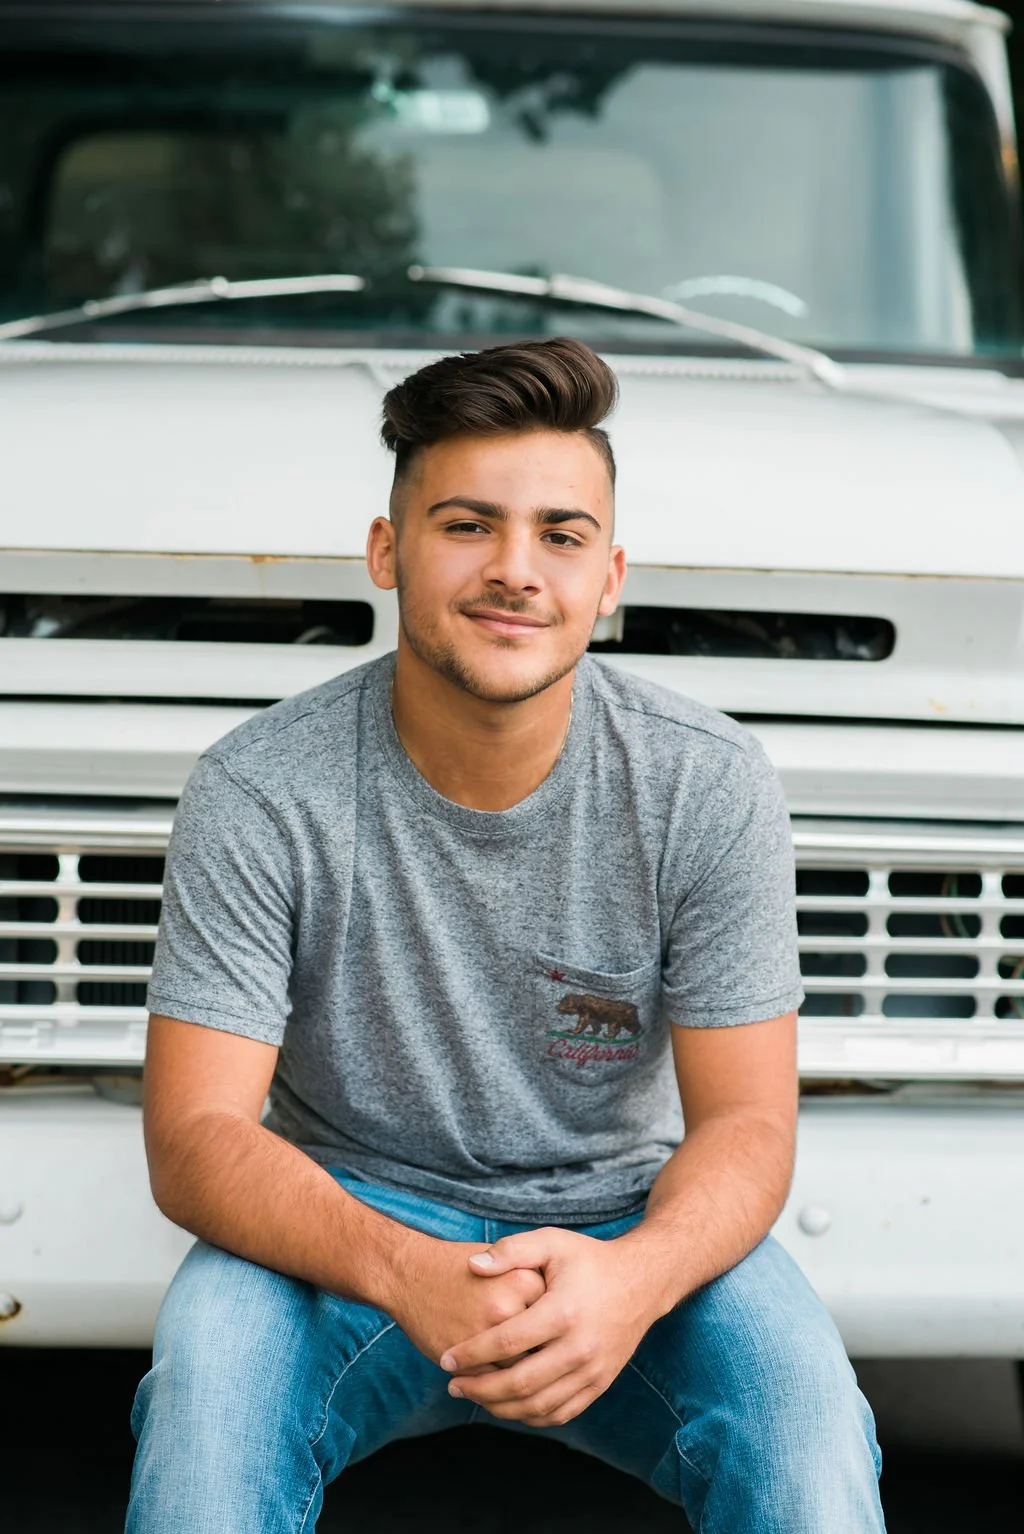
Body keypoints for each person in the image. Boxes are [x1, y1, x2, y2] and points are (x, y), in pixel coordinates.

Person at [127, 337, 885, 1533]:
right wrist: (404, 1271)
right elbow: (195, 1136)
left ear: (611, 576)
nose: (515, 570)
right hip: (343, 1225)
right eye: (467, 525)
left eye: (561, 535)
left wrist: (633, 1277)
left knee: (806, 1424)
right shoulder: (261, 788)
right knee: (206, 1407)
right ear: (387, 551)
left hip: (624, 1219)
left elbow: (748, 1123)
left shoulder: (706, 781)